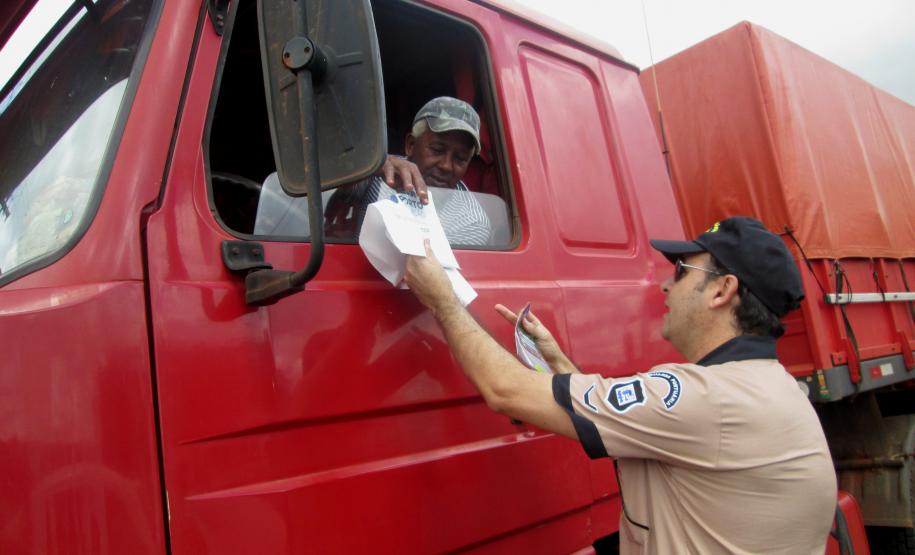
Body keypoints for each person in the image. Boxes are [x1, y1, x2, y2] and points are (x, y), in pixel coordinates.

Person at [402, 216, 837, 554]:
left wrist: (442, 298)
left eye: (682, 271)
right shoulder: (765, 386)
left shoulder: (705, 399)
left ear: (722, 290)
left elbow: (505, 390)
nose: (666, 285)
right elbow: (626, 426)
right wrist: (557, 361)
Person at [321, 96, 492, 246]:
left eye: (460, 158)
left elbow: (429, 276)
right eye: (437, 150)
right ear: (410, 145)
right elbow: (320, 187)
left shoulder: (472, 221)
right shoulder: (380, 171)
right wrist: (372, 166)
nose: (446, 166)